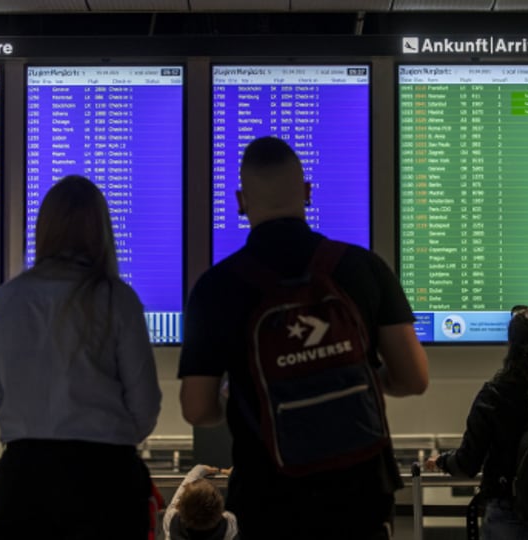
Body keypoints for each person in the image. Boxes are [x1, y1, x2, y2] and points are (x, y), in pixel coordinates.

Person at [178, 136, 429, 540]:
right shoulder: (362, 267)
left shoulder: (215, 288)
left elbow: (196, 408)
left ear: (241, 200)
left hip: (268, 498)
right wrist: (348, 377)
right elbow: (413, 378)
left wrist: (252, 392)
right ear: (308, 192)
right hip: (360, 494)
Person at [0, 175, 162, 539]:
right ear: (101, 230)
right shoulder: (118, 300)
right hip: (105, 484)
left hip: (23, 483)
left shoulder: (8, 300)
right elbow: (145, 405)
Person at [426, 305, 528, 540]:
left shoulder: (495, 395)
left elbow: (467, 463)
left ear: (512, 344)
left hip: (508, 515)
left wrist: (442, 461)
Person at [163, 464, 238, 540]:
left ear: (181, 505)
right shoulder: (228, 525)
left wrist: (199, 469)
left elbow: (180, 495)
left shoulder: (172, 520)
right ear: (219, 507)